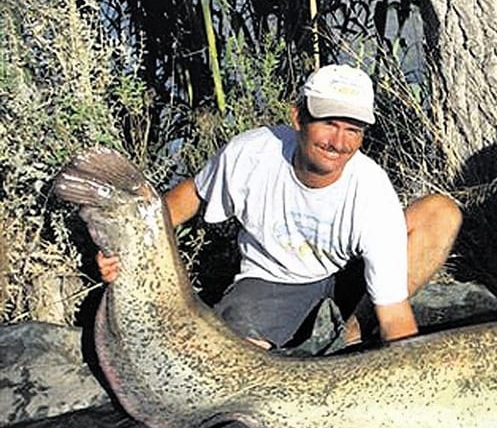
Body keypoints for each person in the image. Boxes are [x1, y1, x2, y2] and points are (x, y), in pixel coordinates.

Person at [98, 64, 461, 348]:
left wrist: (408, 366)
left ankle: (350, 338)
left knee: (441, 212)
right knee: (233, 358)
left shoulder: (371, 190)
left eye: (353, 130)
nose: (339, 142)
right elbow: (191, 196)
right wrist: (129, 248)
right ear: (298, 117)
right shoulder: (252, 153)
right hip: (273, 280)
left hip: (350, 272)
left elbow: (395, 315)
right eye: (329, 124)